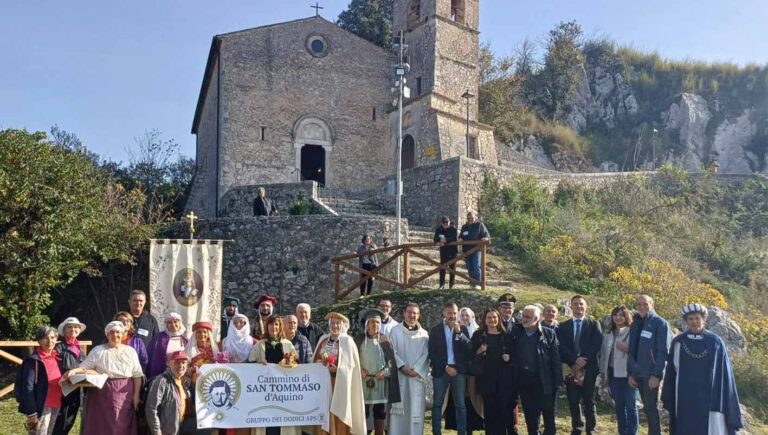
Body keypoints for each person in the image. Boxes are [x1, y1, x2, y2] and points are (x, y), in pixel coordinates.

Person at [662, 304, 743, 435]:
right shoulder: (679, 342)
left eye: (697, 318)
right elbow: (673, 369)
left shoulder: (715, 342)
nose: (694, 322)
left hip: (710, 394)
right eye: (690, 319)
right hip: (685, 395)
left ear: (703, 319)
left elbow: (723, 372)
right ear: (686, 321)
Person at [66, 320, 143, 435]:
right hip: (102, 393)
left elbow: (137, 375)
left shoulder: (130, 352)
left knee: (121, 424)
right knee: (101, 425)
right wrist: (73, 371)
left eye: (118, 332)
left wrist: (136, 396)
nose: (115, 335)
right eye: (111, 332)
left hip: (125, 393)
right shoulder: (98, 350)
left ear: (122, 334)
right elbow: (84, 367)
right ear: (107, 335)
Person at [510, 305, 562, 435]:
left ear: (536, 318)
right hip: (525, 381)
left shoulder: (548, 333)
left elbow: (555, 358)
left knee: (548, 415)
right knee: (530, 415)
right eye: (523, 316)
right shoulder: (517, 332)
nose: (524, 319)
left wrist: (557, 381)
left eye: (528, 317)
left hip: (544, 380)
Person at [313, 312, 365, 435]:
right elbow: (315, 360)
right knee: (325, 410)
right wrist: (320, 362)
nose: (335, 326)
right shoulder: (323, 339)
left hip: (339, 383)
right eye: (332, 323)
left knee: (339, 409)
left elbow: (351, 365)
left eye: (337, 323)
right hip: (324, 385)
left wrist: (338, 369)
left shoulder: (347, 341)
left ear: (342, 325)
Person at [557, 295, 602, 435]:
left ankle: (591, 429)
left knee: (589, 400)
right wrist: (575, 360)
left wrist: (584, 359)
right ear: (571, 306)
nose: (578, 306)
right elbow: (561, 346)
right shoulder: (563, 326)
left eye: (581, 304)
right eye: (575, 304)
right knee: (573, 400)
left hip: (589, 369)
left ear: (586, 306)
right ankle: (577, 428)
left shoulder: (593, 324)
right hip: (571, 368)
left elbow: (596, 343)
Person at [627, 294, 670, 435]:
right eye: (638, 304)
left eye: (645, 304)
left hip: (650, 374)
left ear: (652, 304)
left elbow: (662, 352)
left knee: (651, 408)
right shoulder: (634, 324)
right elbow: (632, 351)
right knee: (647, 408)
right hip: (637, 373)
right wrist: (631, 373)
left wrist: (656, 375)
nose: (641, 307)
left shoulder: (660, 323)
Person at [249, 315, 300, 435]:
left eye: (276, 324)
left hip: (283, 391)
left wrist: (291, 362)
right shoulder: (259, 345)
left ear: (280, 326)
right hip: (264, 392)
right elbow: (249, 365)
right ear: (267, 326)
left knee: (282, 422)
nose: (274, 327)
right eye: (271, 324)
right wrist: (258, 363)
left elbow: (297, 366)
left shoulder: (287, 344)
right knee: (267, 423)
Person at [353, 309, 401, 435]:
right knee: (362, 411)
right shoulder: (359, 339)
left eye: (378, 322)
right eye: (372, 322)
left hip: (380, 381)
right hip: (362, 381)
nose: (375, 325)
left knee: (380, 412)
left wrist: (384, 372)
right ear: (367, 324)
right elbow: (352, 359)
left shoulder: (385, 339)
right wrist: (359, 370)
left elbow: (391, 362)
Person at [428, 302, 473, 435]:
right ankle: (436, 432)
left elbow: (469, 350)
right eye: (449, 313)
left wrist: (459, 334)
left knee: (460, 404)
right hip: (441, 371)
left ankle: (462, 432)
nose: (452, 316)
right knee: (438, 404)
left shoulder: (462, 329)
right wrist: (445, 366)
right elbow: (432, 353)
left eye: (454, 313)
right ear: (444, 313)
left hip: (458, 372)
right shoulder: (435, 330)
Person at [387, 302, 430, 435]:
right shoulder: (395, 331)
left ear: (419, 315)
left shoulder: (424, 334)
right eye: (409, 312)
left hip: (416, 378)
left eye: (415, 313)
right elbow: (391, 352)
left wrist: (416, 369)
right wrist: (402, 366)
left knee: (415, 411)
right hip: (399, 376)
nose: (412, 315)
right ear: (404, 313)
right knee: (398, 414)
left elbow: (426, 354)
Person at [470, 309, 511, 435]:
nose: (492, 320)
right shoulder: (479, 335)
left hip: (503, 379)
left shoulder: (506, 335)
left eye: (494, 317)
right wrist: (479, 351)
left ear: (498, 318)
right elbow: (470, 354)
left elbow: (514, 354)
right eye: (489, 317)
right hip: (486, 379)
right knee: (489, 412)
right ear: (485, 319)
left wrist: (509, 358)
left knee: (502, 411)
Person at [598, 305, 637, 435]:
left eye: (621, 315)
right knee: (619, 407)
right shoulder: (608, 333)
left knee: (631, 407)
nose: (618, 318)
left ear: (626, 317)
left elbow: (640, 353)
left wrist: (628, 350)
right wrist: (604, 375)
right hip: (613, 375)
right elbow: (604, 356)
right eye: (615, 315)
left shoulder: (632, 332)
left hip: (628, 375)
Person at [16, 326, 62, 435]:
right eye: (45, 338)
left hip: (56, 403)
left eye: (52, 337)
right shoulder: (33, 361)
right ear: (39, 340)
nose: (49, 341)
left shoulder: (57, 357)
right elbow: (27, 388)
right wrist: (32, 412)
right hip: (41, 405)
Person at [145, 350, 193, 435]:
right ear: (169, 364)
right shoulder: (161, 381)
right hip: (165, 431)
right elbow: (151, 409)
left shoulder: (184, 382)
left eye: (183, 363)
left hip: (181, 428)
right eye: (177, 362)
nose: (181, 365)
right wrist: (157, 432)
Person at [52, 317, 87, 435]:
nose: (73, 329)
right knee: (60, 423)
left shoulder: (80, 349)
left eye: (76, 327)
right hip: (62, 391)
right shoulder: (58, 348)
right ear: (64, 330)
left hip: (77, 391)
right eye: (69, 327)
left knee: (69, 422)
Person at [497, 292, 520, 434]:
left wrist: (511, 358)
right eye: (504, 307)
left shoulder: (518, 325)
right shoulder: (494, 323)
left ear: (513, 309)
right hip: (497, 370)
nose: (507, 310)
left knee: (512, 403)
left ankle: (512, 429)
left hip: (513, 370)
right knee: (498, 403)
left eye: (509, 308)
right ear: (499, 309)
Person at [147, 312, 189, 378]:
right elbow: (150, 355)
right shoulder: (158, 339)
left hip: (181, 374)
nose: (173, 324)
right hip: (163, 374)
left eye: (175, 322)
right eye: (170, 322)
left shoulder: (185, 340)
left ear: (180, 323)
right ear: (166, 325)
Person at [456, 210, 490, 289]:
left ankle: (478, 284)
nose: (470, 219)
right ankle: (472, 283)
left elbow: (486, 235)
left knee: (476, 267)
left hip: (476, 250)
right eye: (468, 218)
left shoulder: (479, 225)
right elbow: (461, 236)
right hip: (466, 250)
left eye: (471, 218)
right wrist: (460, 239)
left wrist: (485, 238)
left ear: (475, 218)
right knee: (469, 267)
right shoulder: (464, 227)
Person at [434, 216, 458, 290]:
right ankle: (442, 285)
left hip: (452, 251)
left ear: (449, 222)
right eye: (444, 222)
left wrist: (446, 240)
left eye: (447, 222)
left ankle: (452, 285)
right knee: (442, 268)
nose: (445, 223)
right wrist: (440, 240)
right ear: (441, 223)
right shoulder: (439, 229)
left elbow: (454, 238)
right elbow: (435, 239)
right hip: (443, 251)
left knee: (452, 268)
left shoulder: (453, 229)